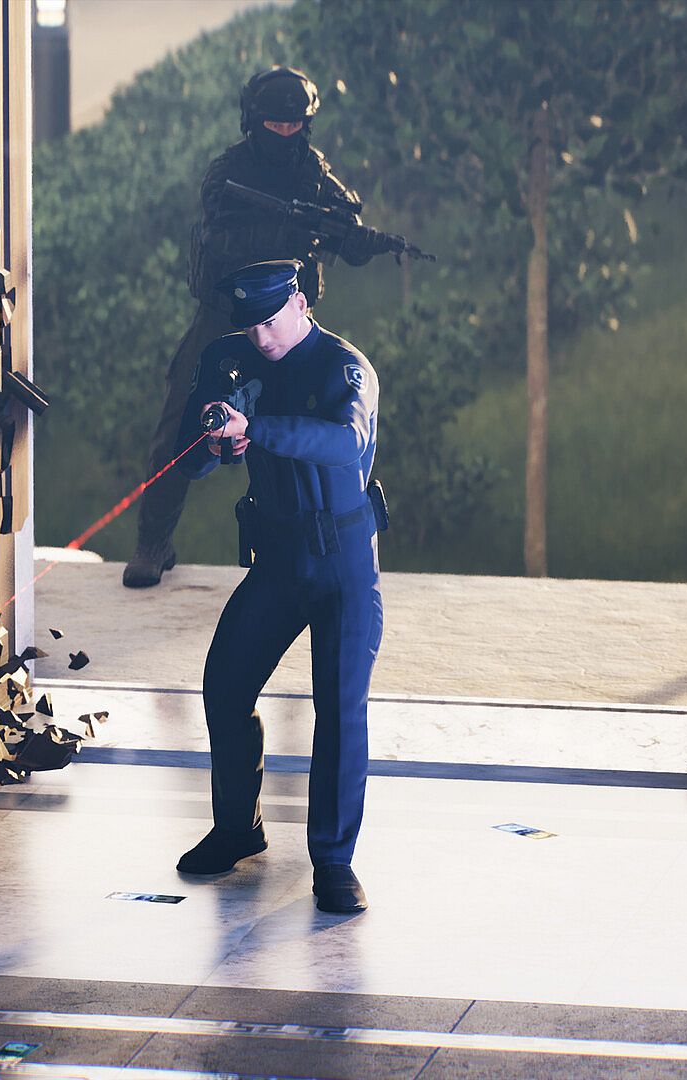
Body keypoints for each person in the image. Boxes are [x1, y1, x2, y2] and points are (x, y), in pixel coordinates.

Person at [172, 259, 384, 915]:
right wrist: (215, 441)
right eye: (250, 325)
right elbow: (187, 456)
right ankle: (239, 827)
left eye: (270, 321)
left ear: (300, 304)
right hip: (279, 560)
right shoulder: (228, 359)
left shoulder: (344, 367)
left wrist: (256, 429)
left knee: (339, 708)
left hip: (343, 562)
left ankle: (334, 861)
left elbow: (346, 443)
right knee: (225, 683)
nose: (260, 337)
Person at [124, 66, 380, 588]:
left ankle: (319, 543)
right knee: (178, 427)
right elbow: (219, 233)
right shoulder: (228, 173)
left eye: (293, 125)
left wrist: (352, 238)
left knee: (318, 426)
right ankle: (152, 543)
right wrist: (288, 229)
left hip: (290, 323)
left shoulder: (314, 173)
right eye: (274, 125)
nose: (284, 134)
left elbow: (345, 220)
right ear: (253, 121)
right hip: (225, 319)